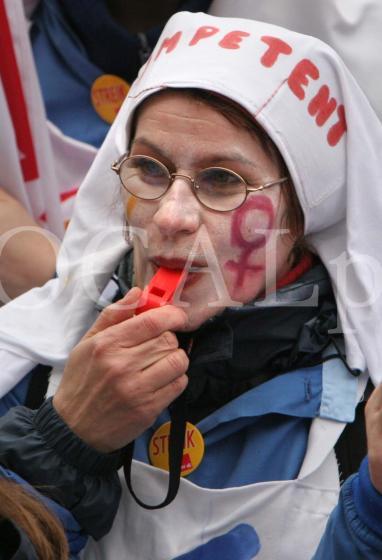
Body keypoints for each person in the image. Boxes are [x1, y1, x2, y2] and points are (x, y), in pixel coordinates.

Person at [1, 10, 382, 559]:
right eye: (150, 169)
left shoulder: (363, 410)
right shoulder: (25, 359)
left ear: (302, 215)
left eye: (222, 181)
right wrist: (63, 439)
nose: (170, 218)